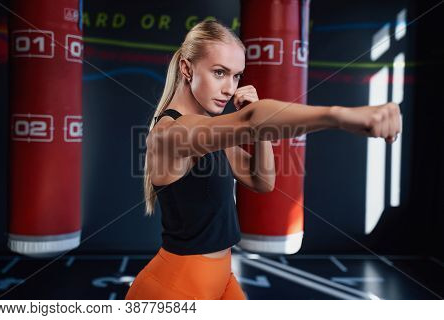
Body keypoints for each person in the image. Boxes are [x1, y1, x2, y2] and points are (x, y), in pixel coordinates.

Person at [125, 19, 401, 300]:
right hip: (176, 287)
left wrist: (259, 127)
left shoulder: (209, 130)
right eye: (219, 73)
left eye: (236, 76)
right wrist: (339, 117)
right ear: (187, 68)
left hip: (220, 278)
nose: (230, 89)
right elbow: (251, 120)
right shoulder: (171, 132)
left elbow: (262, 181)